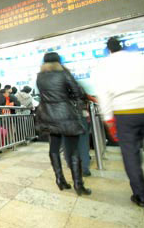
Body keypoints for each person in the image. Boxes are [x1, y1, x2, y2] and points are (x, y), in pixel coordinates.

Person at [94, 37, 144, 207]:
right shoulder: (141, 58)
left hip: (124, 113)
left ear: (108, 50)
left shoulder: (103, 65)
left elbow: (103, 94)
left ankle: (142, 196)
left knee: (130, 154)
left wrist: (108, 119)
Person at [36, 52, 91, 196]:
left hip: (48, 115)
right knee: (73, 149)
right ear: (59, 61)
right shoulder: (63, 73)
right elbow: (78, 92)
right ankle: (78, 185)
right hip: (65, 115)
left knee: (54, 148)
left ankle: (60, 180)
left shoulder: (39, 77)